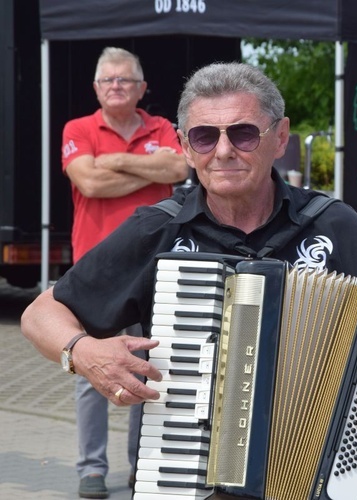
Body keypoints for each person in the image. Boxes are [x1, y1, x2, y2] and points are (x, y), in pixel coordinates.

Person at [21, 61, 357, 496]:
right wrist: (82, 353)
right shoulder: (157, 232)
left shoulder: (338, 228)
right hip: (183, 481)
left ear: (281, 137)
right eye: (204, 136)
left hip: (312, 481)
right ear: (183, 145)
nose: (223, 151)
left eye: (243, 133)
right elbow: (41, 313)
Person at [60, 47, 188, 498]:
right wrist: (148, 174)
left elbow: (179, 166)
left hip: (157, 269)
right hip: (95, 271)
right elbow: (89, 182)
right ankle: (91, 468)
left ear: (142, 88)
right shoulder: (77, 128)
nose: (116, 86)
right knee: (89, 370)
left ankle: (145, 466)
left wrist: (111, 160)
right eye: (108, 80)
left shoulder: (163, 128)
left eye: (125, 80)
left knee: (149, 368)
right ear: (96, 88)